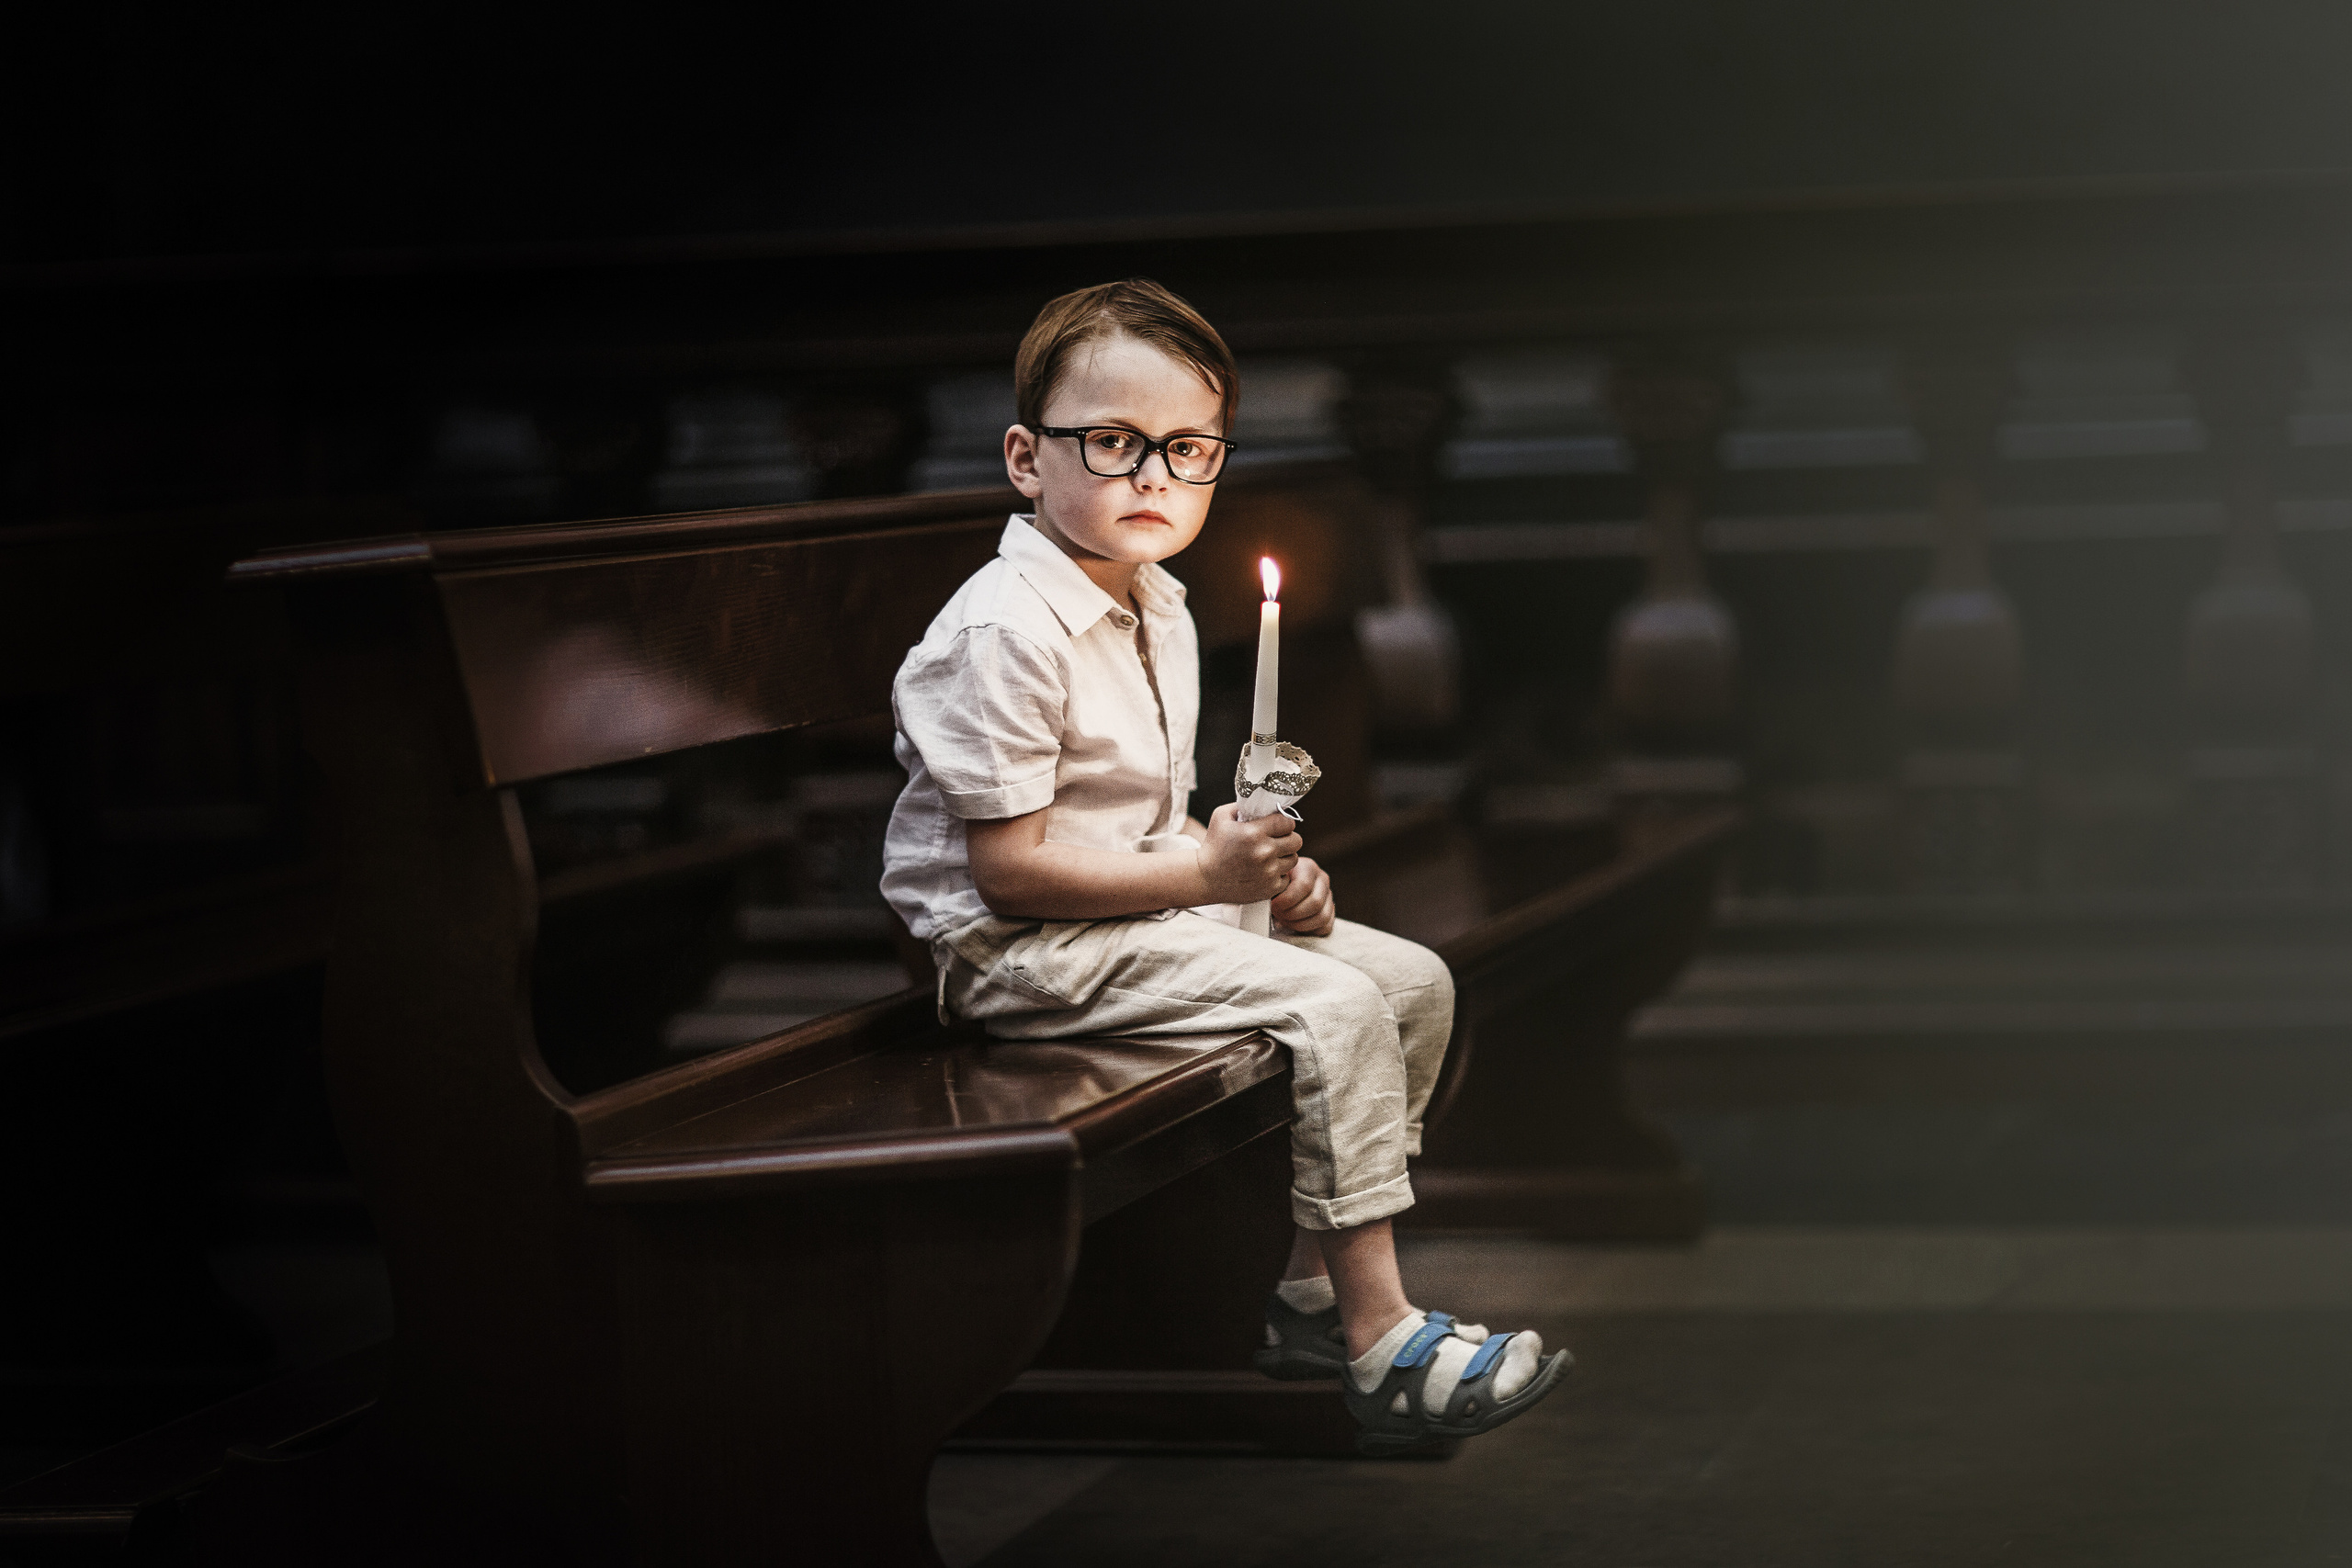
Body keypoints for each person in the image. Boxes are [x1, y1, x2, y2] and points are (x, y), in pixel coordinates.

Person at [881, 278, 1567, 1452]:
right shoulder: (1001, 634)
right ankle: (1382, 1333)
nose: (1152, 475)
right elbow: (1011, 879)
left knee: (1410, 983)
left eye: (1187, 448)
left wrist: (1255, 875)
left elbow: (1156, 830)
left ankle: (1309, 1294)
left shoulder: (1155, 601)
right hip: (1015, 959)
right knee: (1334, 1001)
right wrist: (1208, 880)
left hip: (1127, 920)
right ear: (1023, 459)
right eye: (1111, 441)